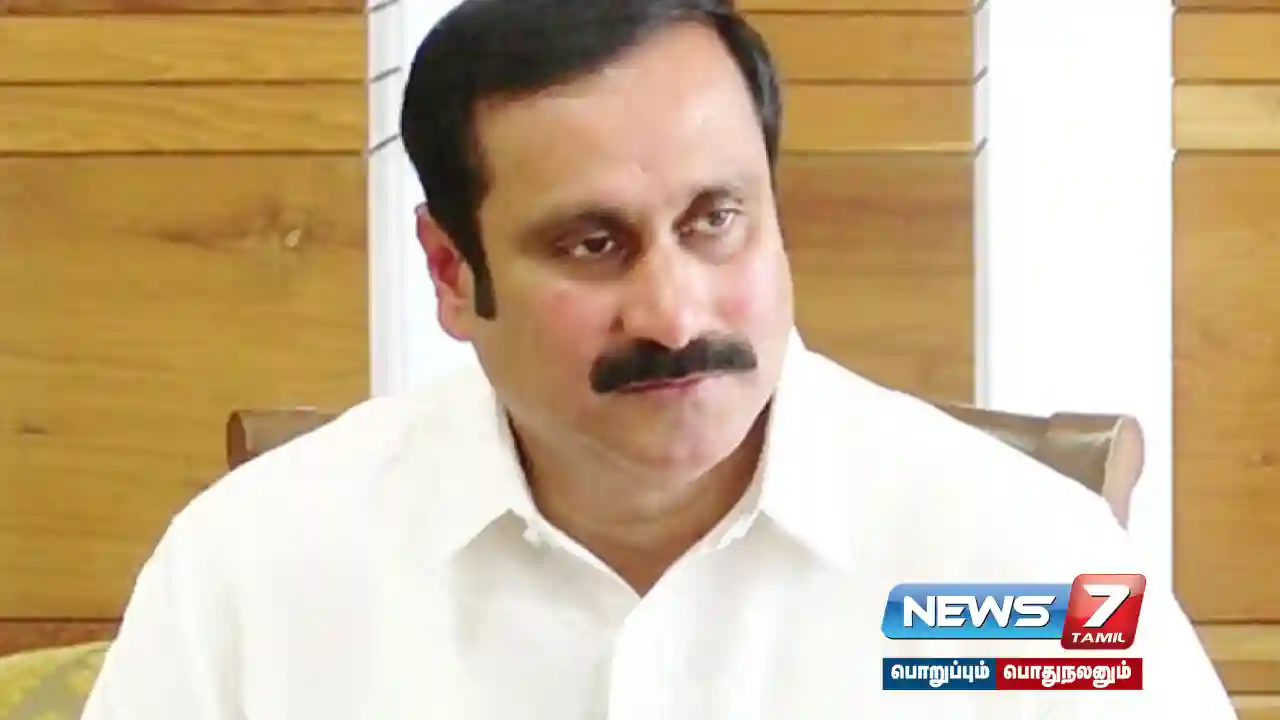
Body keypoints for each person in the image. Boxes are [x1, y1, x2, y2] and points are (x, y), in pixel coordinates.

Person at [82, 0, 1236, 717]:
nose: (675, 315)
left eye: (714, 221)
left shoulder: (1020, 567)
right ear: (449, 271)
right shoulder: (253, 570)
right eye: (592, 245)